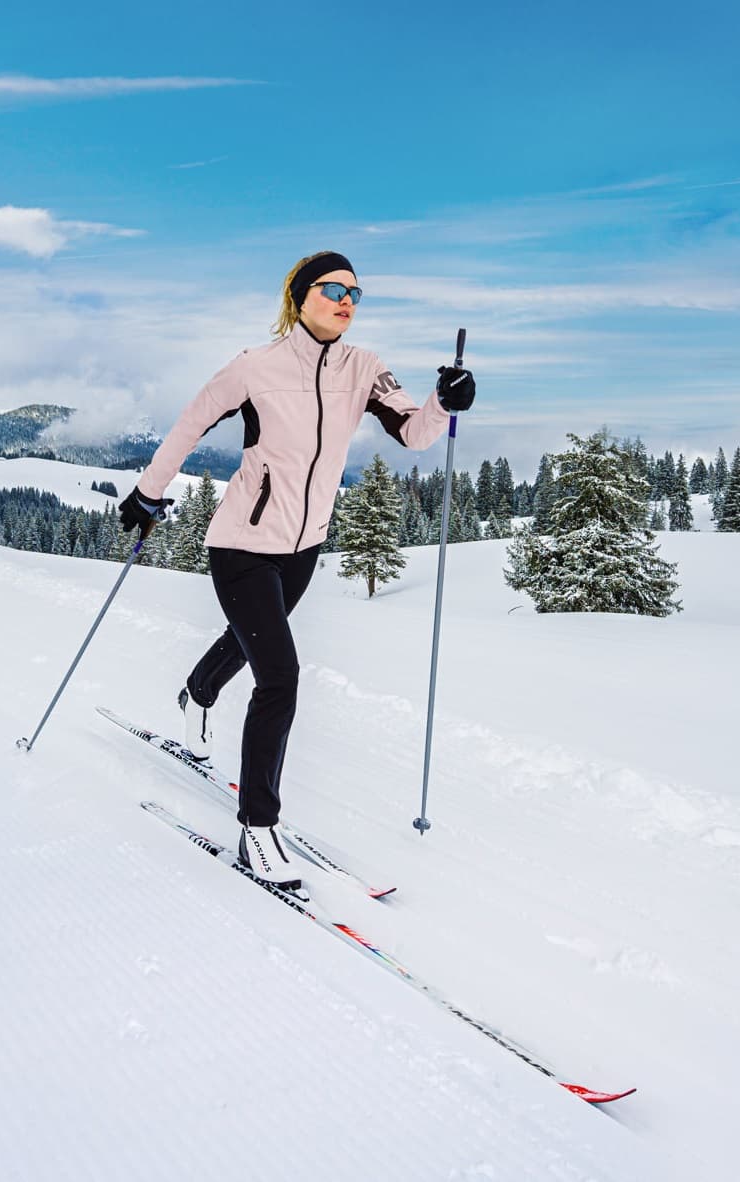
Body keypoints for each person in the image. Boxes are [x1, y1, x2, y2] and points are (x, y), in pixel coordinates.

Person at [119, 251, 477, 886]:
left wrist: (444, 401)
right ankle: (256, 829)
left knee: (254, 639)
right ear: (299, 295)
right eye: (334, 288)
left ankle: (197, 692)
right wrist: (149, 493)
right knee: (279, 676)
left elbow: (416, 433)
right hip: (241, 544)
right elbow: (189, 426)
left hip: (304, 547)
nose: (346, 300)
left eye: (356, 293)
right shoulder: (254, 368)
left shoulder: (365, 368)